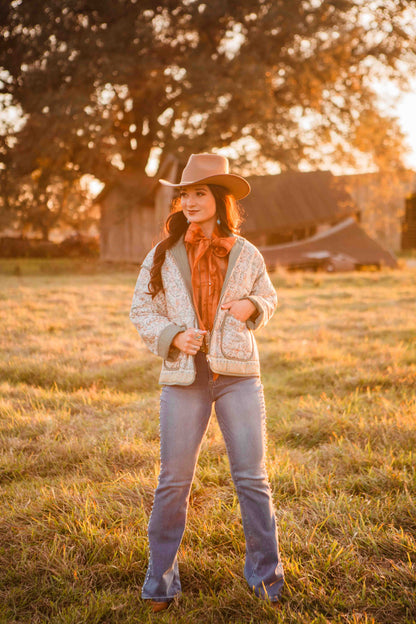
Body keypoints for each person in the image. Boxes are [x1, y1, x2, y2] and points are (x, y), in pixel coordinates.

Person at [130, 153, 284, 613]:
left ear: (219, 199)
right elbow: (141, 311)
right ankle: (160, 582)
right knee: (173, 480)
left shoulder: (248, 252)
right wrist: (174, 335)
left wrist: (253, 305)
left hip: (238, 377)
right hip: (184, 378)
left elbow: (269, 297)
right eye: (184, 194)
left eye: (200, 193)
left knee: (252, 479)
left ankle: (265, 580)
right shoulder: (159, 255)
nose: (190, 201)